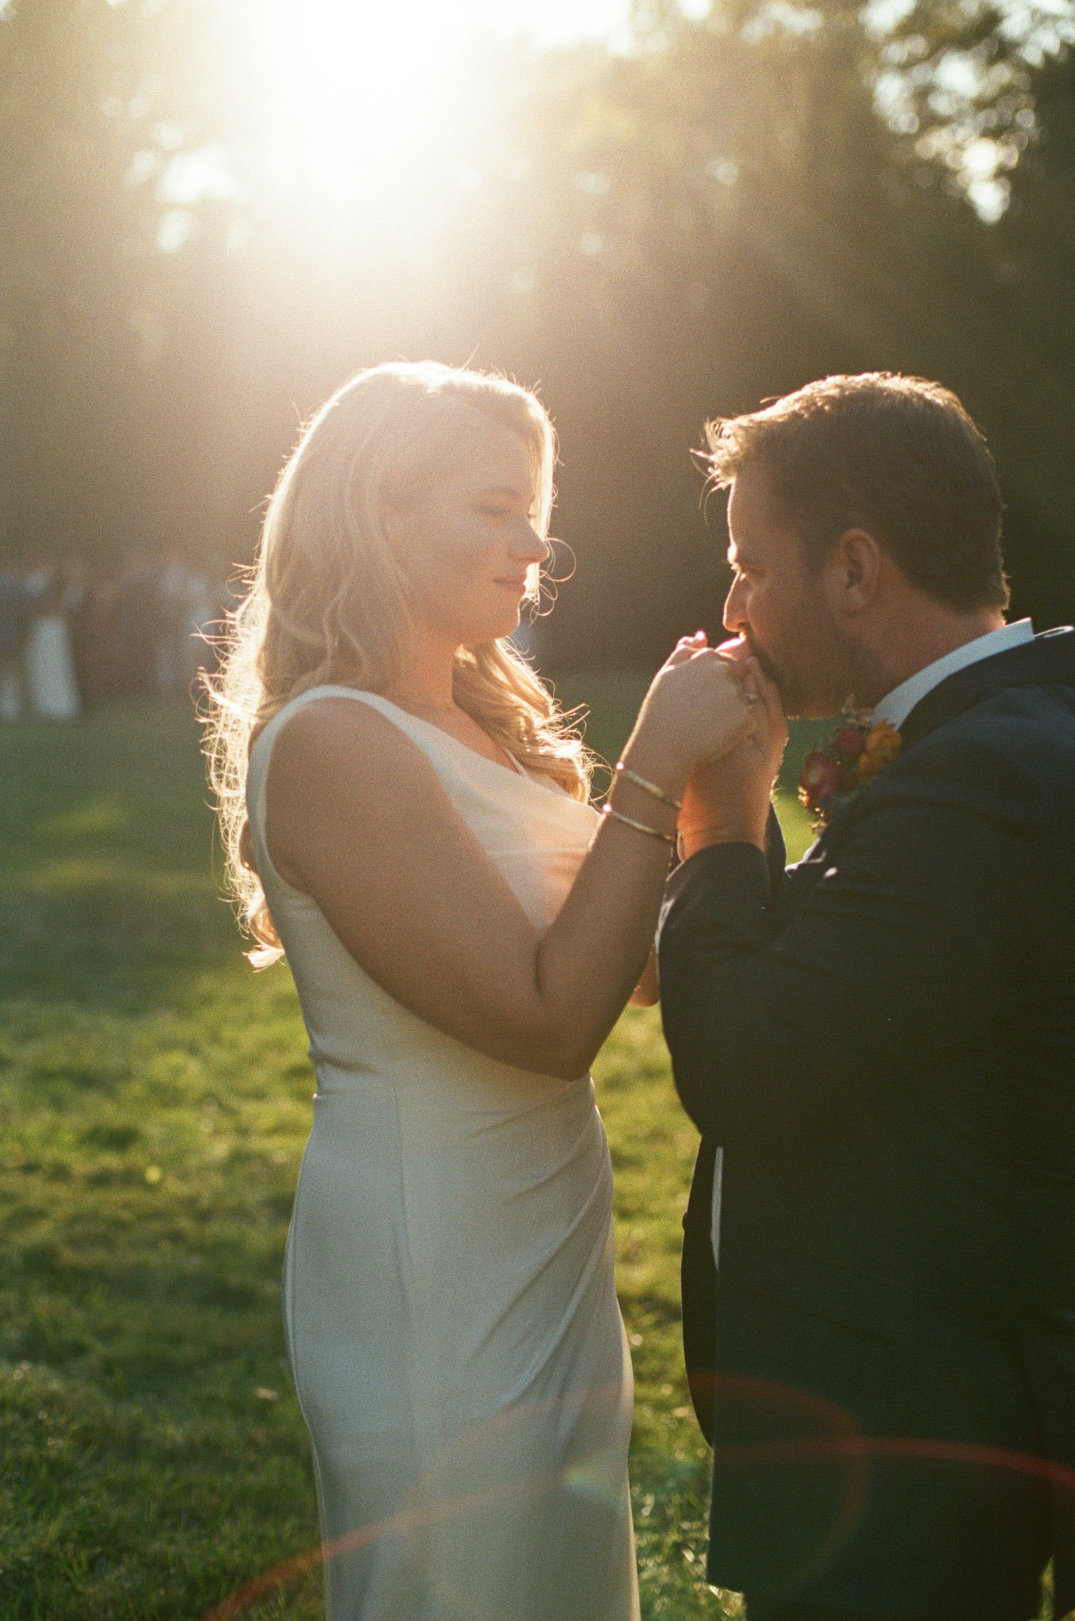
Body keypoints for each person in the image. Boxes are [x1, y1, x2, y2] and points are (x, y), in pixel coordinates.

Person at [205, 360, 757, 1621]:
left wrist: (730, 787)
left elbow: (634, 974)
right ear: (379, 512)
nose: (533, 541)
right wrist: (653, 768)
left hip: (545, 1225)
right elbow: (549, 1020)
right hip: (430, 1245)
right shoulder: (331, 741)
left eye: (536, 508)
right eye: (495, 505)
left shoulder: (482, 724)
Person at [656, 371, 1075, 1621]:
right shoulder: (994, 737)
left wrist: (717, 822)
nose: (731, 604)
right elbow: (856, 987)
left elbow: (745, 1059)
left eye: (748, 565)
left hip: (915, 1446)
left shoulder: (982, 779)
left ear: (852, 570)